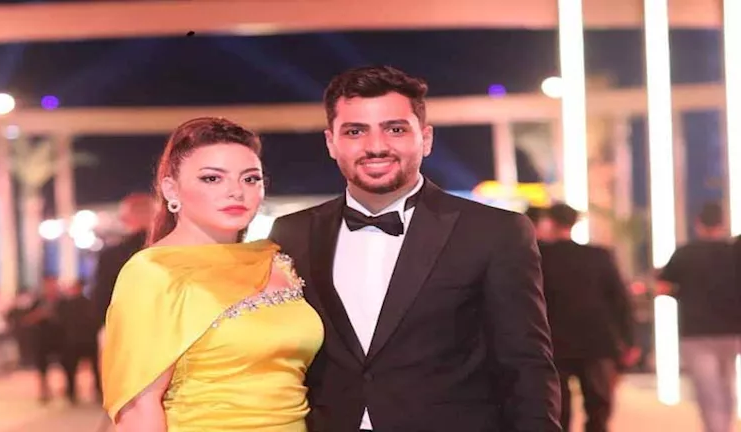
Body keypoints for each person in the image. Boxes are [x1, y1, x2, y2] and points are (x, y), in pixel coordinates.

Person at [269, 65, 561, 432]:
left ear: (426, 138)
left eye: (395, 129)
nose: (376, 146)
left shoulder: (493, 231)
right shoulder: (292, 233)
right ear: (331, 142)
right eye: (355, 131)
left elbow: (526, 364)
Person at [101, 117, 323, 432]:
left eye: (250, 179)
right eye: (212, 178)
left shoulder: (276, 260)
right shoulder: (153, 272)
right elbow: (139, 411)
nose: (236, 192)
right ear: (170, 188)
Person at [539, 203, 638, 432]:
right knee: (598, 406)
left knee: (557, 408)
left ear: (550, 223)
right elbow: (620, 300)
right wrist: (629, 339)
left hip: (554, 342)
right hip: (597, 341)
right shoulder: (599, 256)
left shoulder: (540, 256)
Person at [658, 202, 741, 432]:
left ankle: (717, 429)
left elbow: (663, 287)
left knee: (708, 390)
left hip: (696, 331)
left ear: (698, 223)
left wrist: (681, 293)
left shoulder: (685, 253)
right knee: (727, 383)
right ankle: (727, 425)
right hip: (733, 330)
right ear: (722, 223)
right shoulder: (734, 252)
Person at [91, 191, 154, 338]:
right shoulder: (172, 250)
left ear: (127, 219)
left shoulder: (112, 256)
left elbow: (101, 301)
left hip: (127, 333)